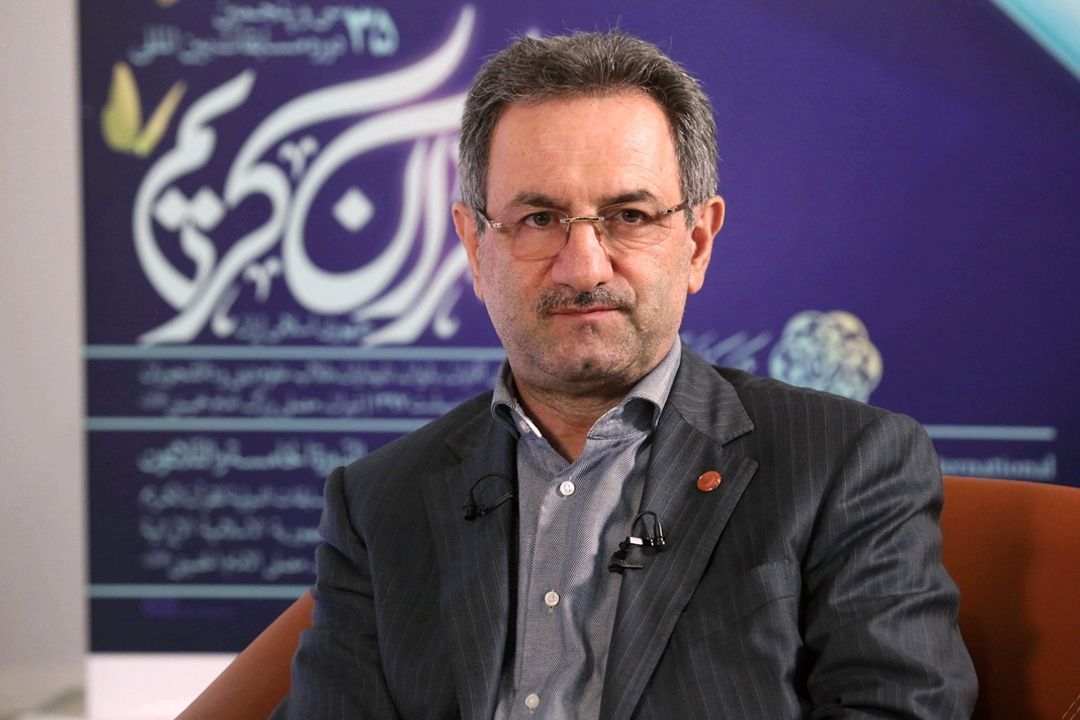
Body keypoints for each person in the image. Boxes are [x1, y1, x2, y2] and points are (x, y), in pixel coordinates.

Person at [273, 30, 977, 719]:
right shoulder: (377, 503)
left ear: (696, 242)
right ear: (473, 245)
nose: (583, 267)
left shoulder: (845, 464)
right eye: (539, 218)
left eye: (629, 215)